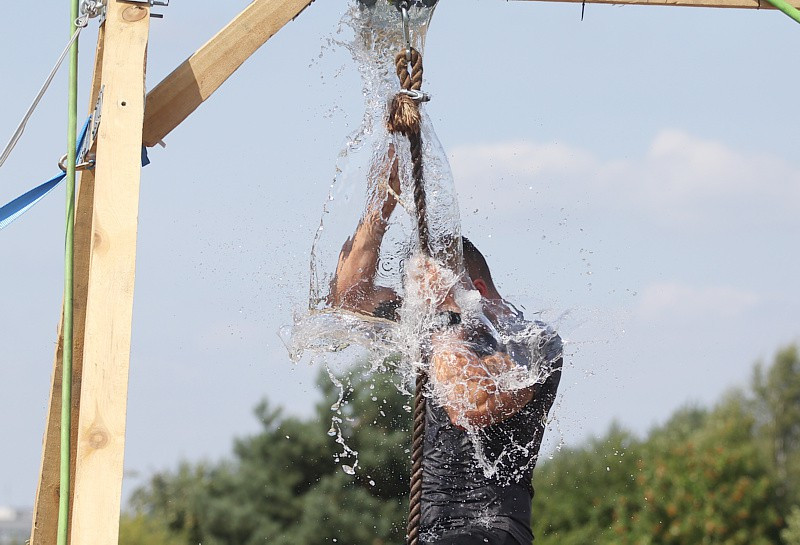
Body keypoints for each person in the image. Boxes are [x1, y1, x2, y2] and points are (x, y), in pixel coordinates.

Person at [329, 150, 563, 545]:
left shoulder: (532, 341)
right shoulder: (432, 325)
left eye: (437, 302)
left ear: (479, 292)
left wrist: (442, 322)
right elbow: (349, 299)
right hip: (432, 533)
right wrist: (380, 207)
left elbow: (469, 404)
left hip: (493, 528)